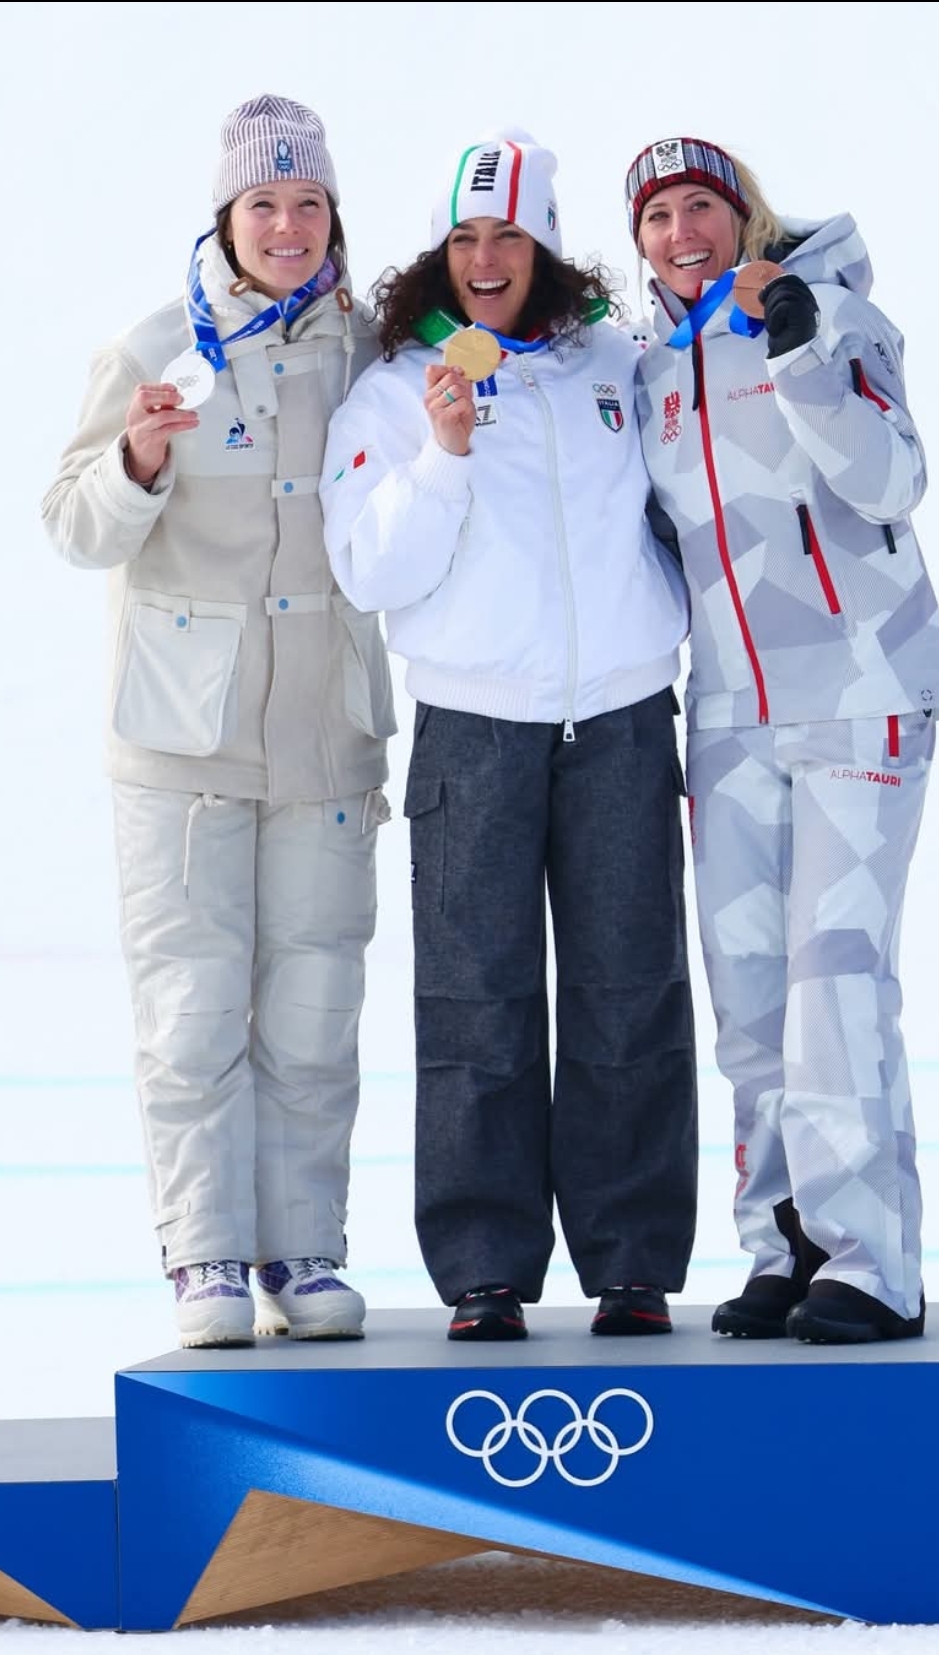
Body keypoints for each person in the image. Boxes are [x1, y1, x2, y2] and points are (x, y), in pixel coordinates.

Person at [321, 130, 697, 1342]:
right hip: (475, 726)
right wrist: (445, 455)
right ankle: (485, 1266)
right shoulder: (397, 387)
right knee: (476, 1002)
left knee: (630, 992)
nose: (486, 259)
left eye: (509, 237)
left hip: (622, 718)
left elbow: (680, 496)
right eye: (465, 238)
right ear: (441, 253)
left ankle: (632, 1260)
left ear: (547, 248)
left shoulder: (611, 364)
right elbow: (370, 568)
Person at [42, 94, 395, 1350]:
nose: (288, 227)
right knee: (191, 1013)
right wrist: (137, 461)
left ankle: (303, 1248)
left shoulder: (374, 351)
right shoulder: (153, 346)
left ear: (333, 214)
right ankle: (204, 1255)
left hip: (326, 731)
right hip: (181, 743)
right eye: (263, 204)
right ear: (225, 216)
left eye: (308, 204)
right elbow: (73, 524)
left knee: (315, 1008)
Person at [624, 137, 939, 1344]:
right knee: (751, 1002)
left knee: (836, 986)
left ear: (745, 216)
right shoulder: (653, 373)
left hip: (861, 691)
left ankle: (874, 1264)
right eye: (657, 215)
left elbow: (891, 482)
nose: (681, 232)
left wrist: (799, 352)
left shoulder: (836, 320)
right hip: (730, 715)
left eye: (701, 206)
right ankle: (789, 1244)